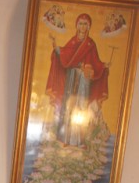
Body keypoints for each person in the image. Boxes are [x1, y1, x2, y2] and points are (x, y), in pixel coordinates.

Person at [46, 13, 109, 147]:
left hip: (84, 80)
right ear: (76, 25)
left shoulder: (91, 44)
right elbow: (65, 55)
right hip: (71, 76)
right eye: (80, 23)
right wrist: (56, 47)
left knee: (81, 107)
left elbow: (96, 62)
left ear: (89, 26)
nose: (82, 26)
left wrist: (104, 66)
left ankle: (79, 141)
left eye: (85, 24)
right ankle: (64, 139)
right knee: (68, 105)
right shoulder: (73, 41)